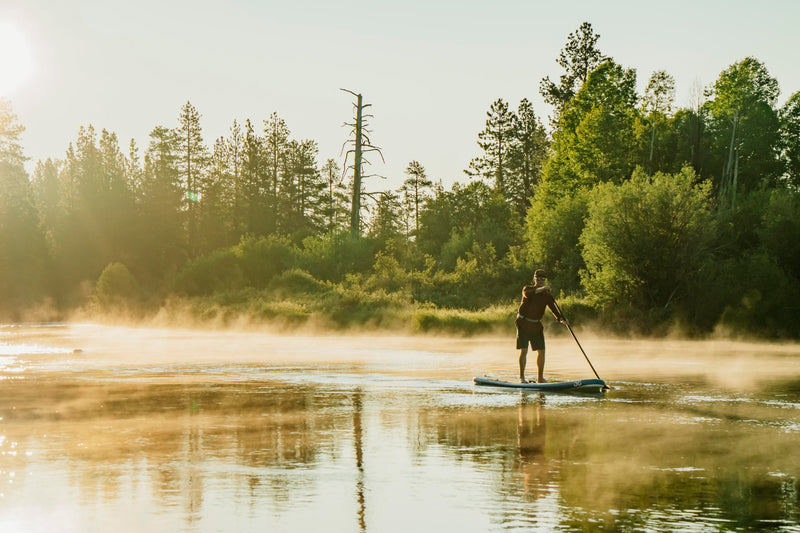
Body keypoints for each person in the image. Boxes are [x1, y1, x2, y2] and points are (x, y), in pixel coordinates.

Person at [516, 269, 565, 383]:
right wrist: (542, 289)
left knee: (542, 351)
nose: (541, 281)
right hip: (523, 323)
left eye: (543, 279)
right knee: (524, 350)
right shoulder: (527, 289)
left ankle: (540, 378)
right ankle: (522, 378)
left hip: (536, 324)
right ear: (535, 279)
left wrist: (561, 318)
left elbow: (553, 308)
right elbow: (528, 294)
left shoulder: (546, 295)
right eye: (539, 279)